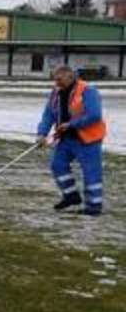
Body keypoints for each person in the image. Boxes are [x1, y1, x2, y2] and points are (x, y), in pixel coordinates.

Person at [37, 65, 107, 216]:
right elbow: (48, 114)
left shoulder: (88, 91)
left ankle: (93, 207)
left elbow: (94, 115)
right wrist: (41, 133)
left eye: (59, 80)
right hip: (65, 138)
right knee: (57, 166)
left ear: (70, 77)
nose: (56, 83)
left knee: (91, 173)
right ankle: (71, 196)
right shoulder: (55, 92)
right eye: (55, 80)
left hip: (88, 139)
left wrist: (71, 124)